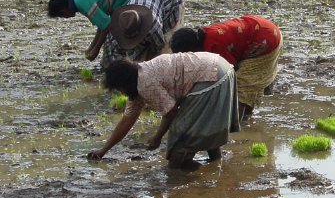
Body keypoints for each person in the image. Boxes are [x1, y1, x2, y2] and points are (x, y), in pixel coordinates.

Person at [91, 52, 240, 167]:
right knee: (206, 125)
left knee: (180, 135)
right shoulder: (141, 77)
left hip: (211, 75)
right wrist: (103, 150)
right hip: (220, 67)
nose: (121, 93)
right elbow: (126, 121)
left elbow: (171, 113)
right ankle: (216, 164)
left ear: (125, 83)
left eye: (119, 88)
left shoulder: (145, 84)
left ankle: (173, 176)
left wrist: (157, 137)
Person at [171, 15, 282, 120]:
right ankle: (246, 117)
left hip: (266, 38)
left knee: (242, 85)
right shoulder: (204, 35)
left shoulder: (214, 45)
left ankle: (234, 127)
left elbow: (231, 69)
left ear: (192, 49)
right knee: (247, 82)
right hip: (262, 28)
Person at [48, 0, 143, 60]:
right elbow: (102, 23)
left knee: (118, 37)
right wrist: (91, 47)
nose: (65, 18)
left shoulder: (81, 2)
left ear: (63, 11)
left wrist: (96, 50)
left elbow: (107, 26)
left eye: (62, 16)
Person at [100, 0, 185, 67]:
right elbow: (109, 59)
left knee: (167, 45)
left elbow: (158, 48)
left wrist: (143, 68)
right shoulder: (116, 30)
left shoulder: (153, 27)